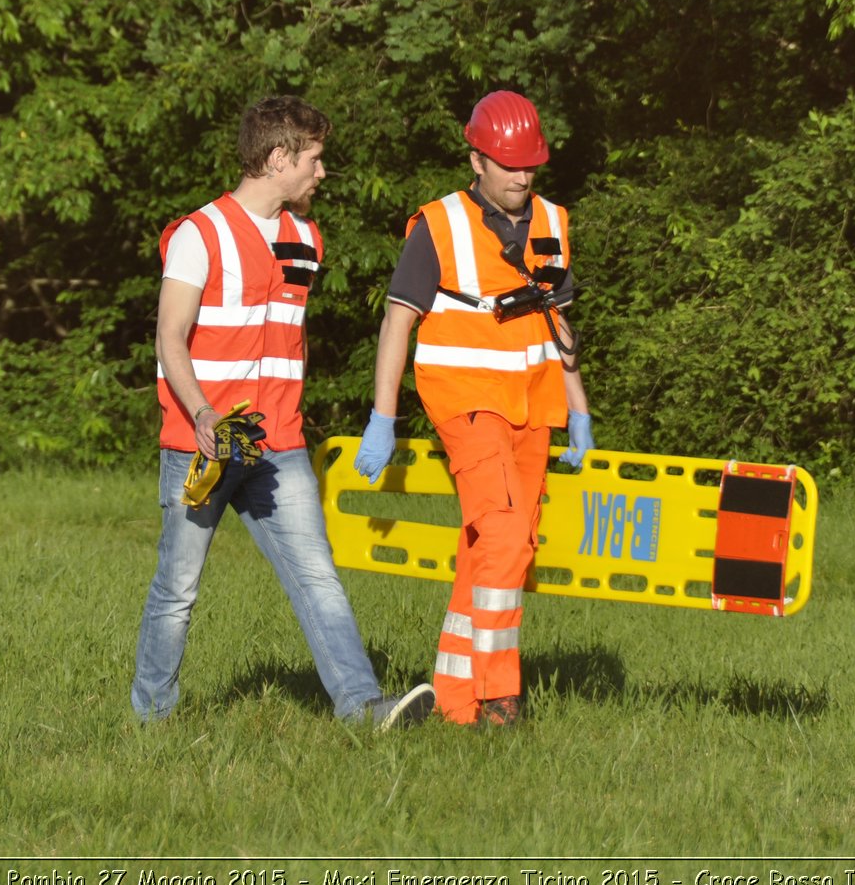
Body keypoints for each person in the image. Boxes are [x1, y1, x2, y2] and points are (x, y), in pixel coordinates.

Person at [132, 95, 434, 729]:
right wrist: (204, 417)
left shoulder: (305, 239)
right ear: (277, 159)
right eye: (314, 160)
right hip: (204, 445)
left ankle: (361, 709)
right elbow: (169, 338)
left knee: (318, 576)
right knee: (177, 591)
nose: (322, 173)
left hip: (281, 446)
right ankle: (151, 721)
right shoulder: (200, 234)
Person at [354, 90, 594, 727]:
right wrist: (384, 416)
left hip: (534, 401)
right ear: (476, 159)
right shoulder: (438, 225)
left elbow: (559, 321)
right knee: (509, 534)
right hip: (463, 399)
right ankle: (497, 693)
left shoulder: (553, 221)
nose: (521, 176)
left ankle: (455, 699)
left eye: (530, 165)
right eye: (508, 163)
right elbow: (397, 323)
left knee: (492, 543)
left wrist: (579, 408)